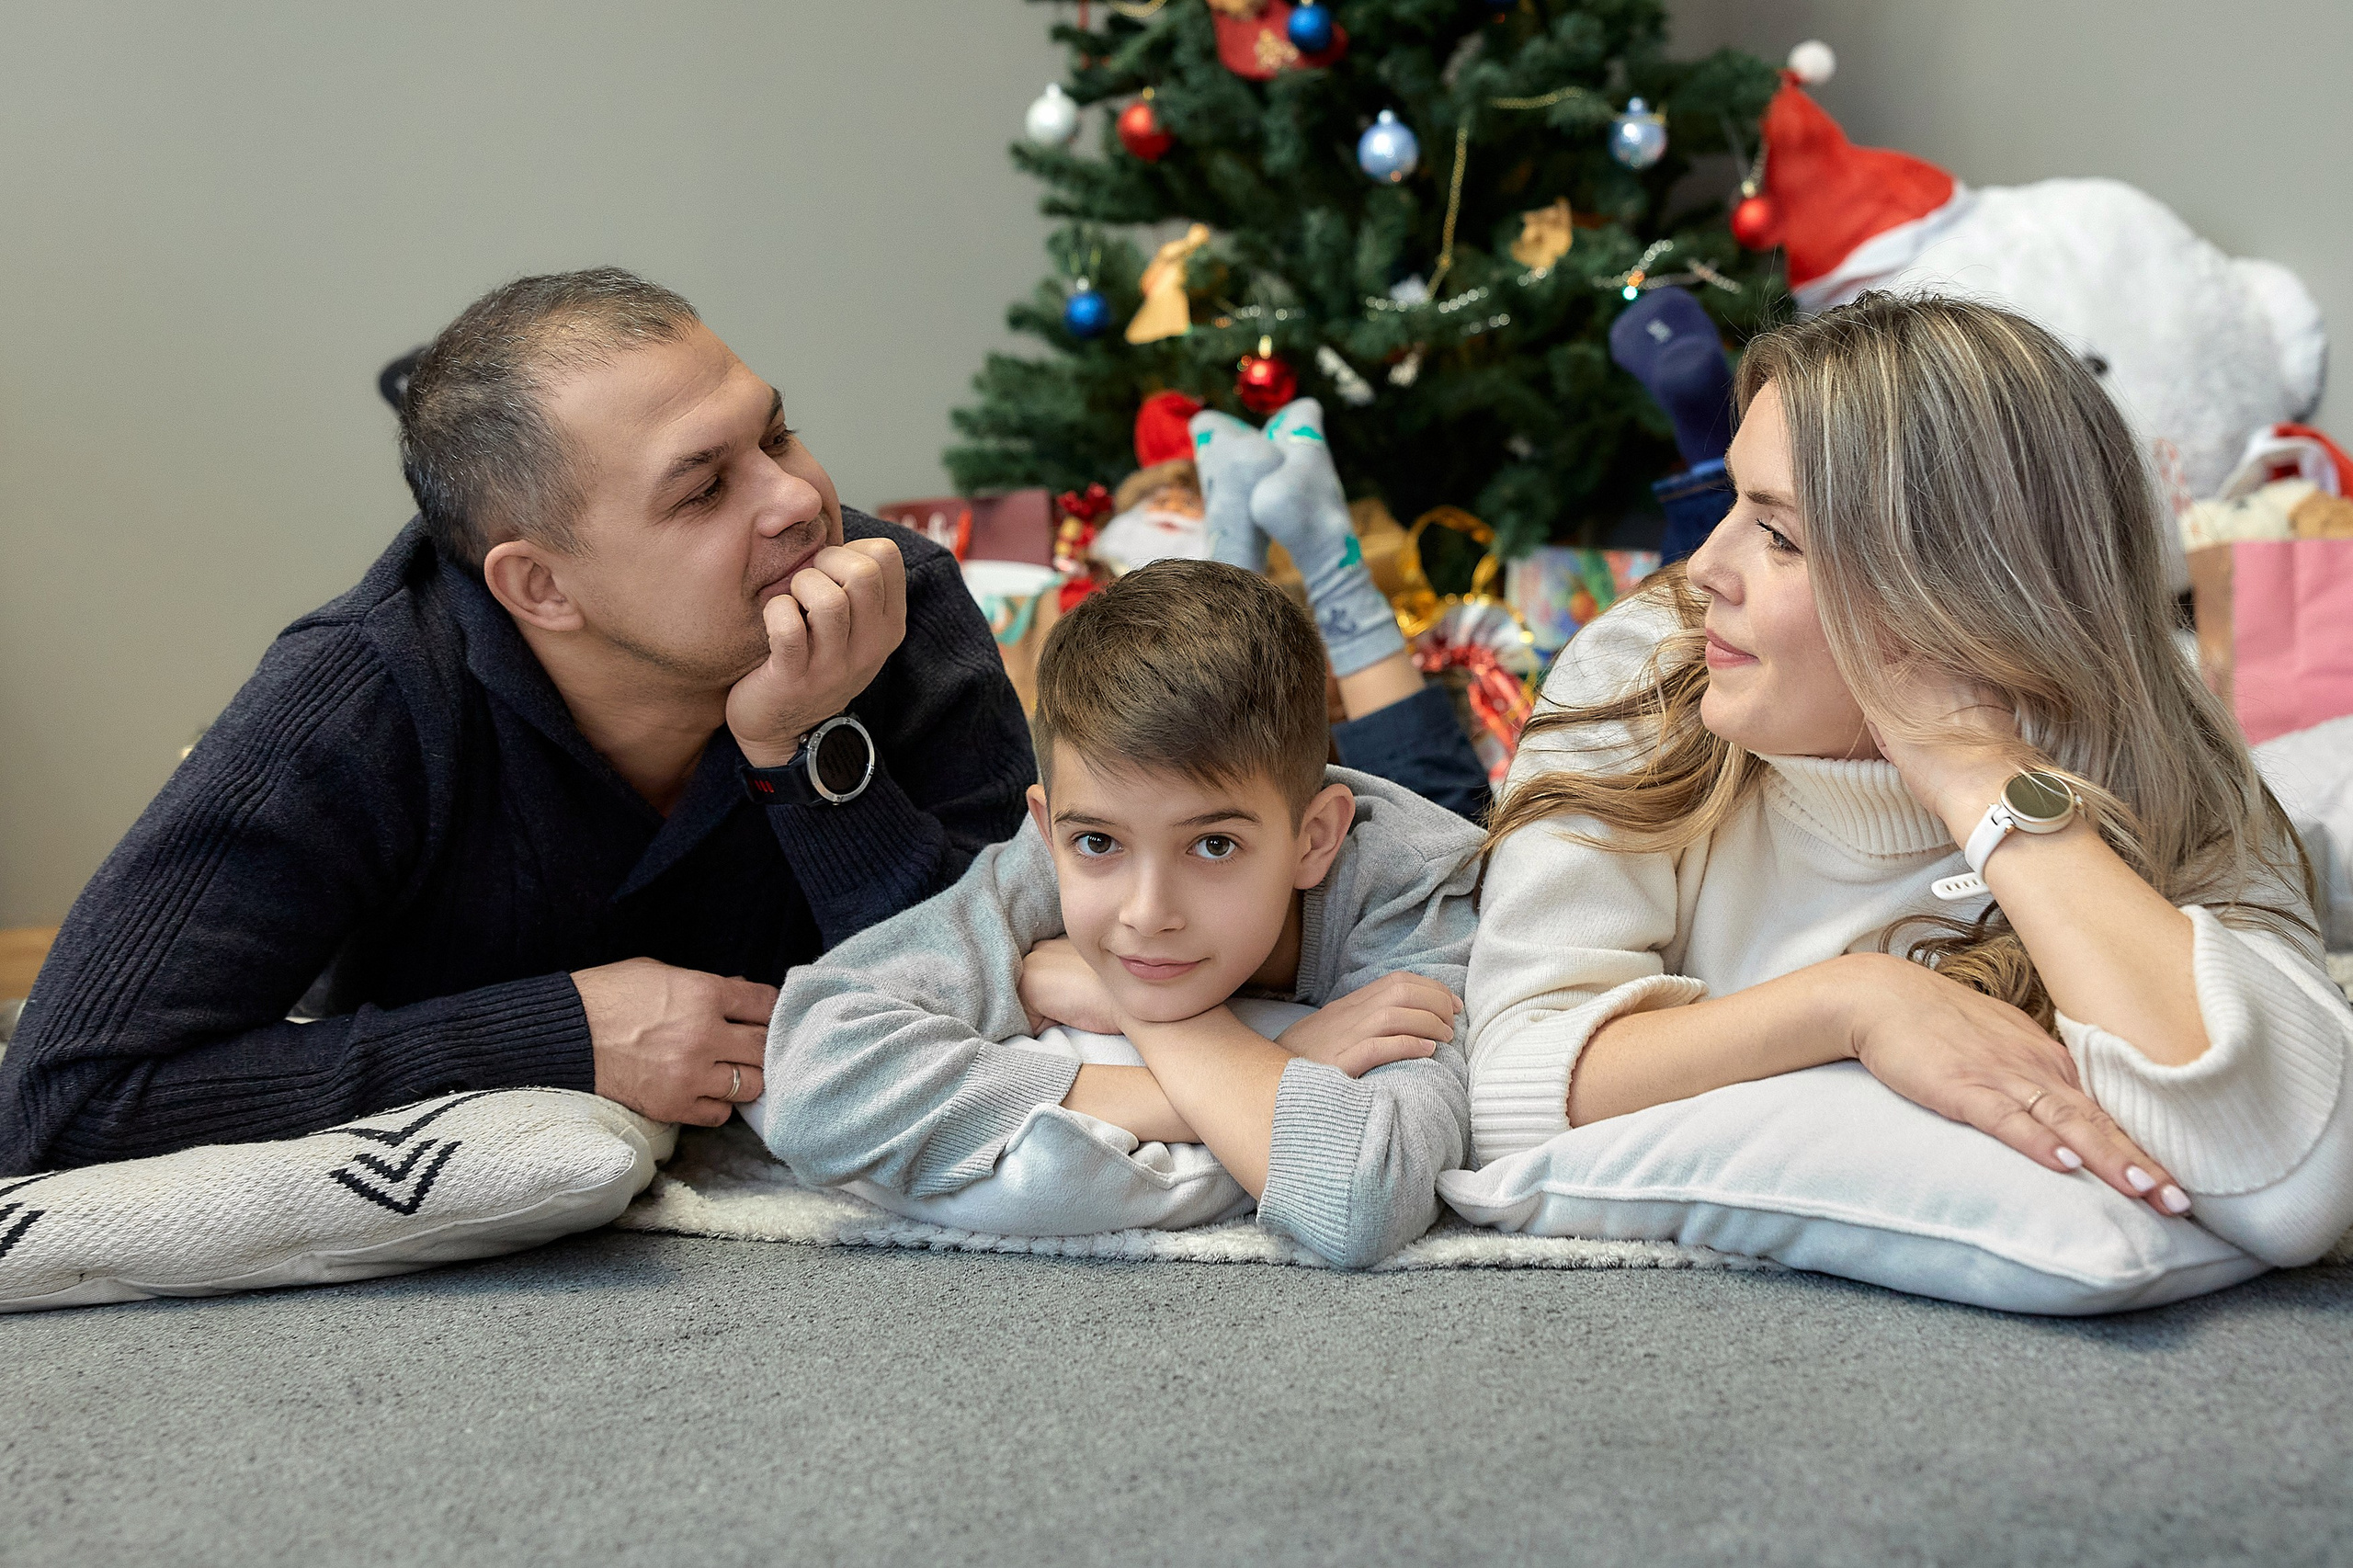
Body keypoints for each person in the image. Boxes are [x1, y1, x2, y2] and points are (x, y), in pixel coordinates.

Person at [0, 268, 1033, 1176]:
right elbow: (62, 1100)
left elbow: (1012, 1007)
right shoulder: (363, 693)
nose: (800, 500)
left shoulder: (894, 603)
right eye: (706, 487)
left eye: (775, 434)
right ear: (538, 585)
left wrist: (806, 747)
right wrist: (555, 1036)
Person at [1467, 293, 2353, 1272]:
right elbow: (1507, 1086)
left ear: (1953, 592)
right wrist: (1853, 1003)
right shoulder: (1646, 667)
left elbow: (2291, 1185)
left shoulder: (2156, 748)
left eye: (1781, 535)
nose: (1705, 565)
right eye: (1733, 504)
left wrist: (1973, 771)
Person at [757, 560, 1481, 1267]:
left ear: (1312, 839)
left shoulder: (1408, 891)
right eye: (1099, 843)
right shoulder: (1057, 852)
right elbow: (811, 1086)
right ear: (1047, 829)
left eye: (1214, 844)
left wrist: (1140, 1010)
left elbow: (1361, 1200)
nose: (1147, 912)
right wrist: (1277, 1063)